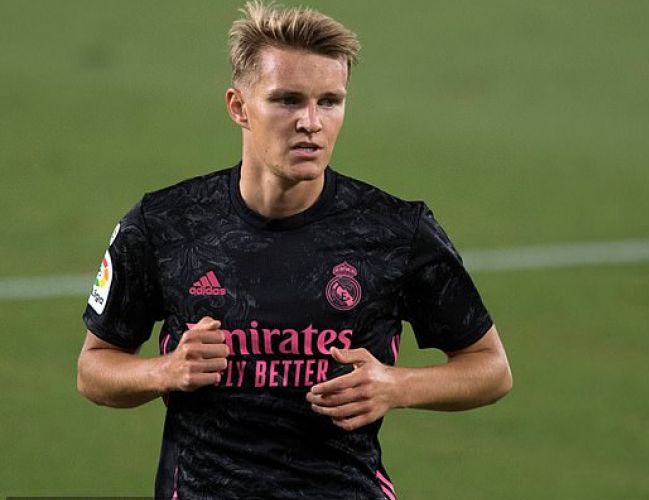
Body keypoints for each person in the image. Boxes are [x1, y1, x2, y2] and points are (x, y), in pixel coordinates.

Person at [77, 2, 512, 498]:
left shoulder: (395, 230)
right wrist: (166, 370)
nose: (311, 122)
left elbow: (491, 368)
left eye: (330, 102)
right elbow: (94, 369)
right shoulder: (165, 224)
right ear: (239, 106)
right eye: (287, 100)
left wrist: (397, 386)